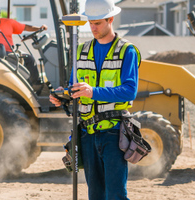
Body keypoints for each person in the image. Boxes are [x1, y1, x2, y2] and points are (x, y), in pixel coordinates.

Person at [50, 0, 141, 199]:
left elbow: (129, 91)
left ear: (111, 19)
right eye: (90, 22)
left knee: (115, 194)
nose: (92, 27)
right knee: (96, 194)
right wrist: (63, 96)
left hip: (113, 132)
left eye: (98, 23)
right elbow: (76, 88)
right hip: (87, 133)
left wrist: (93, 92)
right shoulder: (82, 50)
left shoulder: (127, 51)